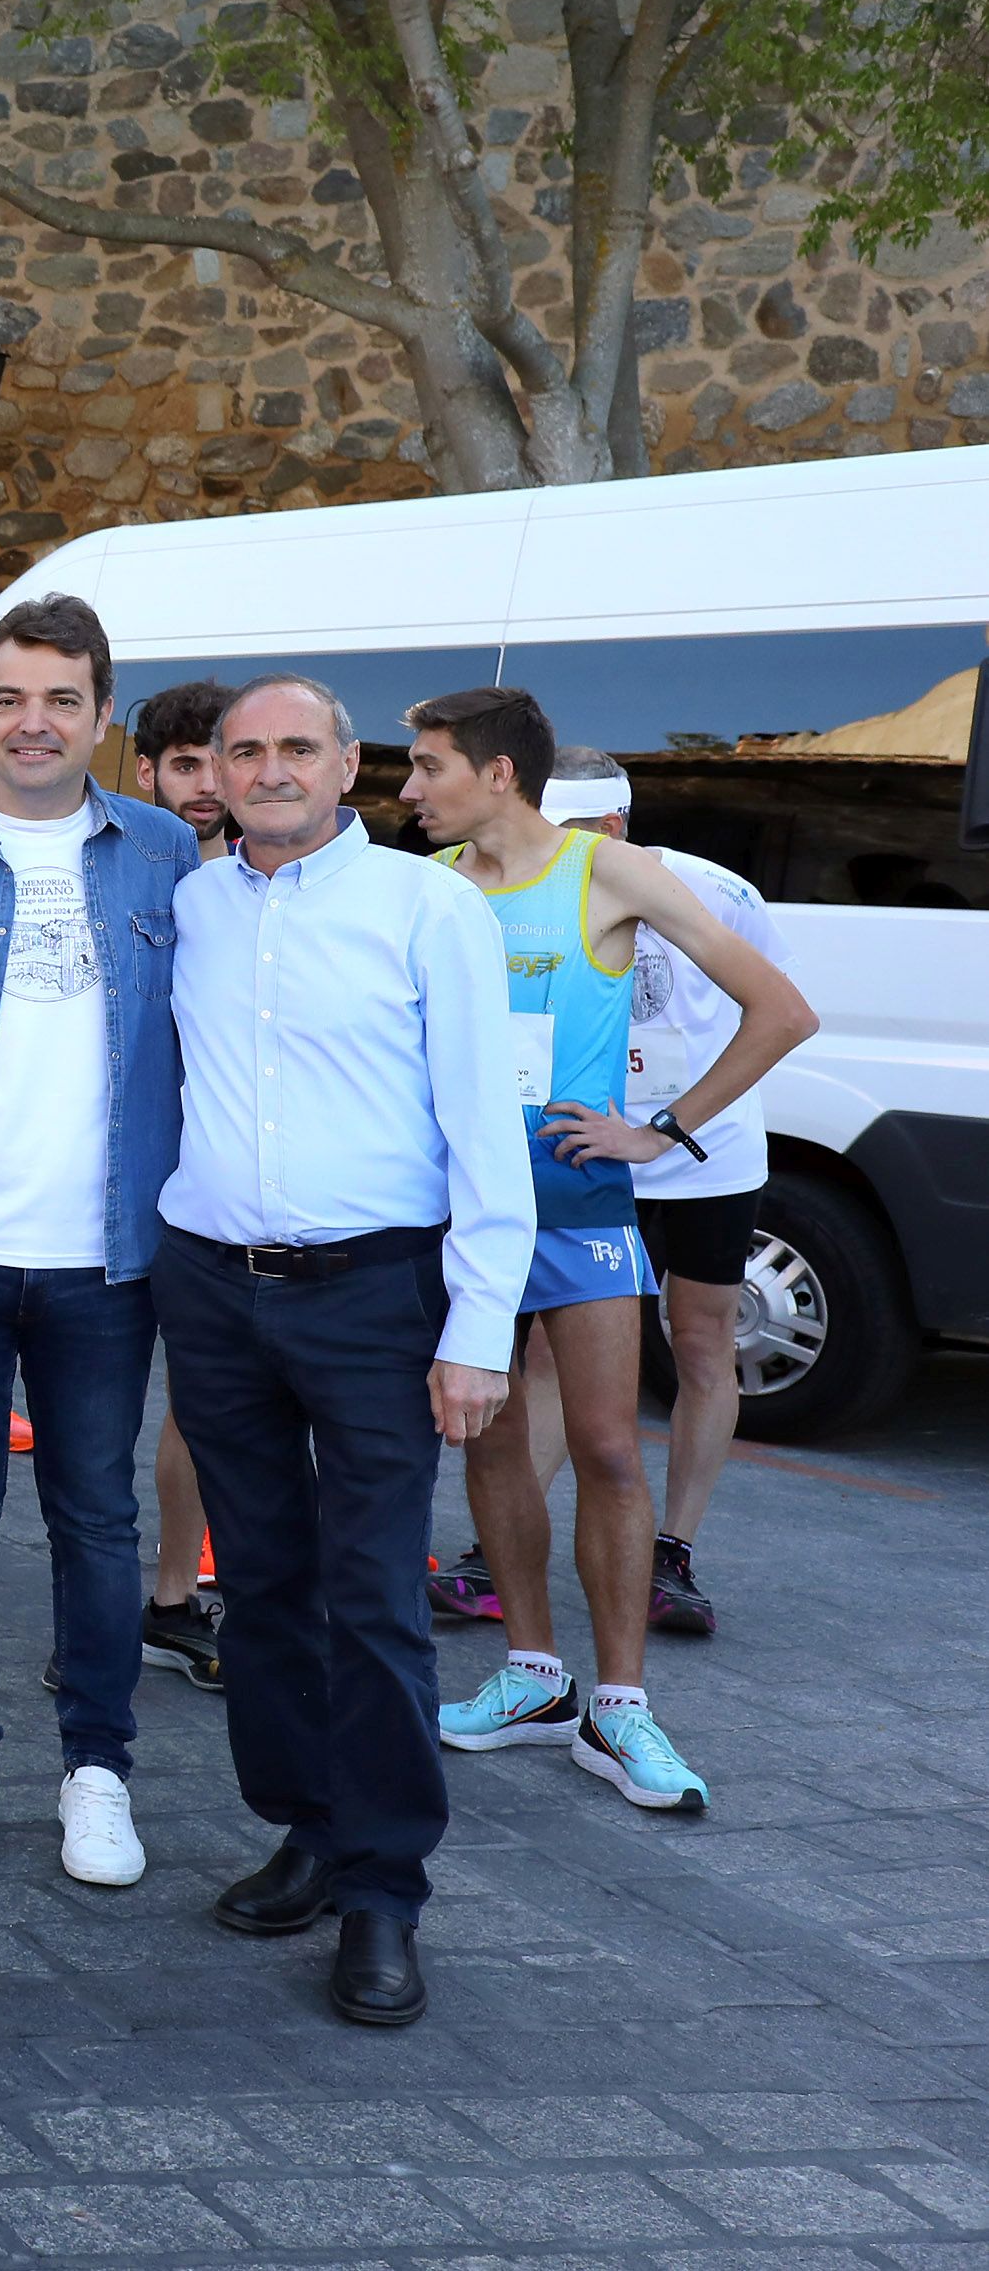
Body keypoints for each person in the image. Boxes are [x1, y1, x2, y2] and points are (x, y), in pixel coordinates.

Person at [154, 673, 532, 2029]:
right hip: (210, 1284)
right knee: (257, 1583)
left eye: (290, 747)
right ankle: (305, 1822)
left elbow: (484, 1124)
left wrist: (475, 1328)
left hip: (375, 1292)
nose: (263, 769)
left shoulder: (427, 909)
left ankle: (382, 1885)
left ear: (346, 762)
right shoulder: (192, 902)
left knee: (371, 1592)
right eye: (240, 750)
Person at [402, 688, 814, 1814]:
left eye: (424, 766)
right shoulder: (432, 891)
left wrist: (660, 1128)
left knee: (605, 1451)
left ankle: (620, 1707)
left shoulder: (605, 874)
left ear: (495, 774)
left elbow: (779, 1009)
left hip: (579, 1211)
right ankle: (533, 1676)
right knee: (485, 1440)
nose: (403, 789)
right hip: (463, 1217)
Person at [0, 598, 195, 1889]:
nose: (31, 721)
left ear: (99, 715)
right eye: (9, 697)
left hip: (106, 1258)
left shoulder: (169, 855)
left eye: (59, 698)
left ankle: (95, 1770)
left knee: (96, 1514)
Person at [545, 748, 787, 1635]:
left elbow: (774, 1016)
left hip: (702, 1154)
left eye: (576, 833)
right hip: (583, 1146)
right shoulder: (540, 880)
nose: (559, 848)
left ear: (615, 826)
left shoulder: (719, 895)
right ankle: (495, 1554)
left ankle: (670, 1552)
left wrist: (664, 1131)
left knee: (699, 1341)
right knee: (545, 1347)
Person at [126, 678, 242, 1687]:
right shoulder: (122, 876)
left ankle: (185, 1596)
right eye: (186, 763)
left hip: (226, 1184)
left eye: (222, 760)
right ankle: (154, 1598)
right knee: (167, 1406)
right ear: (144, 770)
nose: (207, 784)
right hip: (133, 1186)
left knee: (205, 1403)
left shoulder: (256, 881)